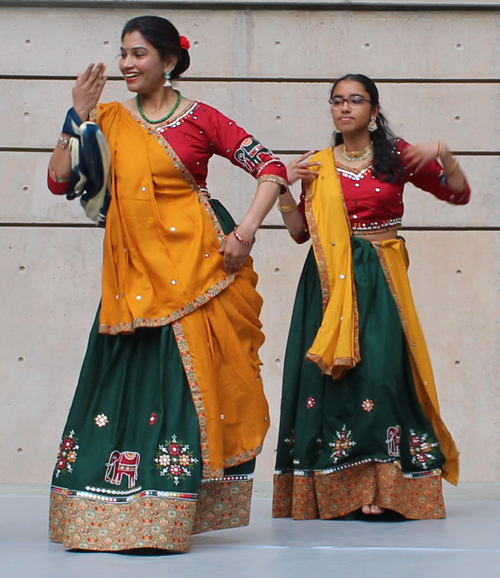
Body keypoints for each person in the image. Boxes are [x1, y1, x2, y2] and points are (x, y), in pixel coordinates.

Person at [47, 15, 288, 552]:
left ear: (169, 61)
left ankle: (168, 511)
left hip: (199, 267)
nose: (127, 64)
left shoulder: (202, 119)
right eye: (123, 54)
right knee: (122, 382)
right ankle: (107, 508)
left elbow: (271, 168)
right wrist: (75, 117)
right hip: (133, 274)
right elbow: (59, 180)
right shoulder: (106, 119)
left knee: (185, 383)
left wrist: (245, 231)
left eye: (138, 54)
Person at [272, 73, 470, 521]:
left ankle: (386, 485)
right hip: (328, 284)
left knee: (382, 377)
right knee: (334, 382)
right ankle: (339, 490)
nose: (344, 108)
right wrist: (286, 187)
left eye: (355, 101)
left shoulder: (397, 157)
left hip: (381, 277)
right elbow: (300, 234)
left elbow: (458, 195)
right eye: (337, 101)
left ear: (374, 111)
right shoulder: (319, 164)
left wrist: (443, 153)